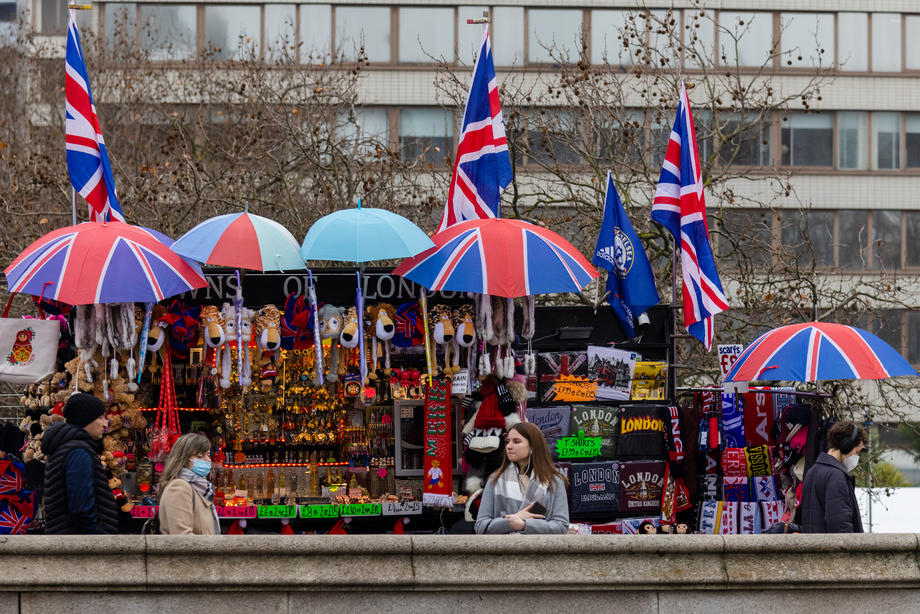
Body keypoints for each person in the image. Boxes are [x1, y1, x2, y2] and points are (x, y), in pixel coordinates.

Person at [41, 393, 118, 534]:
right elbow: (81, 505)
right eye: (100, 417)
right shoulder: (78, 452)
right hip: (79, 543)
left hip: (67, 537)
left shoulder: (67, 447)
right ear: (86, 420)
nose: (106, 423)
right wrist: (99, 535)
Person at [474, 422, 569, 534]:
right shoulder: (495, 480)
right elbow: (480, 526)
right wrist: (512, 521)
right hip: (505, 549)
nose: (509, 446)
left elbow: (562, 526)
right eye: (507, 442)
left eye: (516, 441)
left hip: (539, 550)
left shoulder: (554, 481)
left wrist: (524, 525)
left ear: (533, 445)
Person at [799, 420, 868, 533]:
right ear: (846, 446)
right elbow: (841, 525)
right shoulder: (836, 476)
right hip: (832, 549)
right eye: (857, 451)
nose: (857, 456)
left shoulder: (812, 471)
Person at [158, 433, 220, 535]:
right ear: (183, 459)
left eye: (208, 454)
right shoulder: (179, 487)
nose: (208, 460)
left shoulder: (199, 488)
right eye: (200, 456)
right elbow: (182, 539)